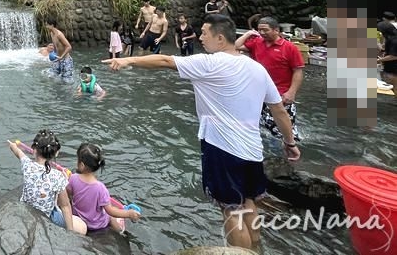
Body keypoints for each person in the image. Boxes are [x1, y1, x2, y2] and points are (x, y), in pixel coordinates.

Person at [103, 14, 300, 250]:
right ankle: (256, 248)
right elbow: (279, 111)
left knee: (230, 208)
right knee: (249, 203)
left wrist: (129, 61)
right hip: (252, 151)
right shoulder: (257, 69)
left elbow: (166, 61)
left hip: (223, 149)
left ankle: (241, 252)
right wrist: (290, 143)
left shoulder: (210, 63)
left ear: (219, 38)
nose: (200, 37)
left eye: (205, 33)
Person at [235, 16, 304, 140]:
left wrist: (292, 92)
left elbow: (298, 71)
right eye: (259, 30)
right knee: (262, 127)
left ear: (276, 30)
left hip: (281, 94)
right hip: (258, 92)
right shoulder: (256, 42)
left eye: (265, 30)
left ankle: (290, 151)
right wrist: (249, 33)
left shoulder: (289, 47)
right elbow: (236, 46)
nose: (262, 33)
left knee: (285, 128)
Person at [6, 130, 87, 234]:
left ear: (34, 150)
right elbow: (65, 206)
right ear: (56, 153)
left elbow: (18, 152)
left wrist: (13, 146)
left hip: (26, 211)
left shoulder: (27, 165)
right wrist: (70, 232)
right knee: (82, 226)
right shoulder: (57, 176)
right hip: (46, 218)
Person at [66, 143, 141, 233]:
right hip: (97, 225)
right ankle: (120, 232)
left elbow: (69, 194)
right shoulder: (100, 188)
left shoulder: (73, 178)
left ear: (81, 165)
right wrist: (128, 213)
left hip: (79, 220)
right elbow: (110, 211)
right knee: (110, 217)